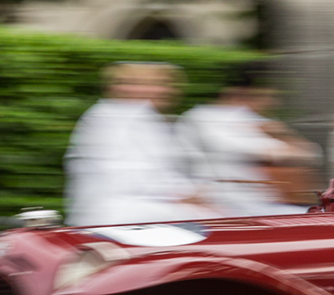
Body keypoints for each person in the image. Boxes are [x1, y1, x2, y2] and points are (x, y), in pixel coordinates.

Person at [64, 62, 213, 225]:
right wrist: (183, 193)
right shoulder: (108, 118)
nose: (160, 91)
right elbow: (130, 176)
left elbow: (161, 170)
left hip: (135, 210)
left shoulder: (143, 117)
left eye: (163, 85)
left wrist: (190, 190)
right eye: (136, 83)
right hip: (115, 215)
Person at [178, 62, 318, 216]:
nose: (273, 103)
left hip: (258, 203)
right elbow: (263, 151)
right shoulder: (203, 117)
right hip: (221, 204)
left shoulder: (249, 118)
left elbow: (311, 153)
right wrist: (280, 139)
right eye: (267, 96)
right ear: (240, 93)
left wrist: (282, 134)